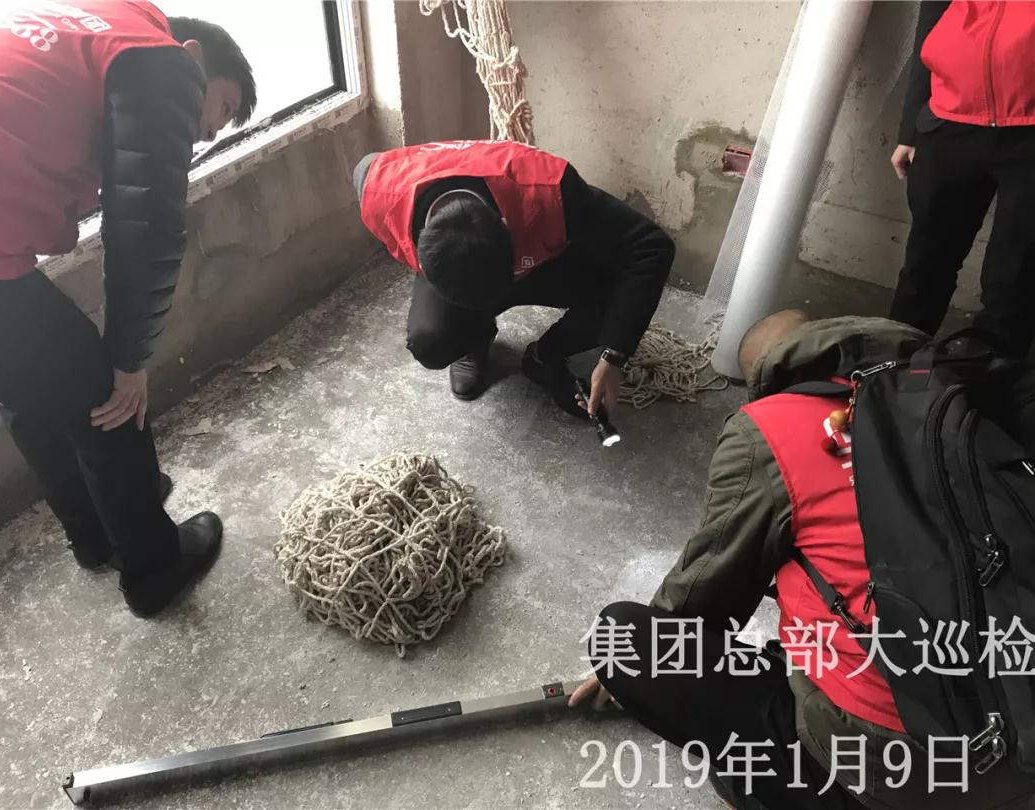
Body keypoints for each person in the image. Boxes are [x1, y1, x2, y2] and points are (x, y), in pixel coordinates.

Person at [569, 312, 1035, 809]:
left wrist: (626, 669)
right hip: (1022, 729)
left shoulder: (773, 426)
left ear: (763, 376)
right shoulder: (970, 394)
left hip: (903, 764)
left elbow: (706, 593)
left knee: (624, 638)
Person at [0, 3, 256, 616]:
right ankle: (155, 568)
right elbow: (146, 229)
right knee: (106, 399)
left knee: (32, 385)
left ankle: (95, 533)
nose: (209, 134)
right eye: (221, 109)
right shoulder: (164, 63)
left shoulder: (101, 19)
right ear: (194, 57)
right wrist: (128, 361)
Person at [354, 141, 675, 420]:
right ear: (422, 256)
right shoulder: (380, 192)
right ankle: (475, 343)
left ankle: (544, 356)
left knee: (620, 294)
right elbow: (364, 165)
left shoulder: (549, 191)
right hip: (460, 259)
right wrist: (467, 325)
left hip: (542, 255)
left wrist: (614, 355)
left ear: (508, 228)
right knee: (432, 341)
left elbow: (651, 246)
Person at [888, 0, 1035, 359]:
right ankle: (892, 369)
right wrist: (911, 130)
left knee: (1013, 282)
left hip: (1030, 134)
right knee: (925, 264)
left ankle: (991, 380)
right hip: (947, 125)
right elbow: (930, 29)